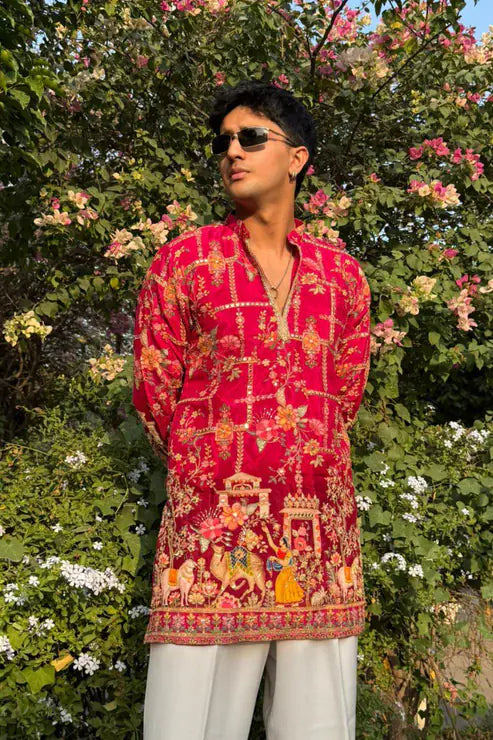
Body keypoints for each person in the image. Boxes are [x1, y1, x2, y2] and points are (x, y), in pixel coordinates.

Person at [132, 78, 372, 740]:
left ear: (296, 158)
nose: (232, 151)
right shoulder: (184, 263)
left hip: (318, 542)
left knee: (318, 727)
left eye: (251, 137)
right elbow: (154, 390)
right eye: (224, 142)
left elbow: (345, 394)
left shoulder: (342, 278)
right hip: (210, 539)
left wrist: (299, 453)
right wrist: (207, 460)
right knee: (188, 725)